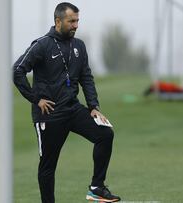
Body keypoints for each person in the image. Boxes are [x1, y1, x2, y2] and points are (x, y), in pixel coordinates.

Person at [13, 2, 121, 203]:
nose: (76, 25)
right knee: (48, 165)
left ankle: (97, 188)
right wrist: (36, 99)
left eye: (77, 20)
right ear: (58, 21)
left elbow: (86, 77)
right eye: (71, 21)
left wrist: (93, 107)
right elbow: (17, 70)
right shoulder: (42, 45)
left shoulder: (79, 45)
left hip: (73, 109)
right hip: (49, 114)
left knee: (105, 134)